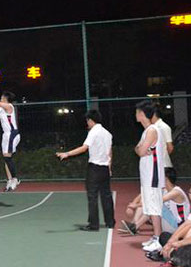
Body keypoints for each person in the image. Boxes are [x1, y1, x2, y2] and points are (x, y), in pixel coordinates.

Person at [56, 109, 114, 231]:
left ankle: (94, 225)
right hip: (104, 168)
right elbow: (109, 152)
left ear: (91, 120)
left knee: (92, 196)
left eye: (87, 120)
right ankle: (110, 222)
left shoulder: (93, 132)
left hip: (94, 168)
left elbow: (84, 148)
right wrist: (109, 167)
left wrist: (67, 154)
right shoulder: (107, 133)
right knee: (106, 195)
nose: (87, 123)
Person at [121, 100, 165, 253]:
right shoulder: (146, 131)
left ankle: (158, 239)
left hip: (153, 176)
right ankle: (155, 237)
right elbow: (137, 149)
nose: (135, 115)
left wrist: (140, 149)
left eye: (137, 112)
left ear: (141, 114)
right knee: (149, 206)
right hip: (147, 175)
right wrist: (140, 149)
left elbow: (140, 151)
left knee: (154, 208)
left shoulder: (152, 130)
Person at [152, 106, 175, 173]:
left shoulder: (164, 127)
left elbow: (170, 147)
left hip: (164, 165)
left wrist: (162, 156)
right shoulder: (152, 127)